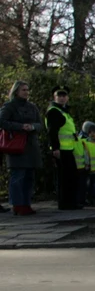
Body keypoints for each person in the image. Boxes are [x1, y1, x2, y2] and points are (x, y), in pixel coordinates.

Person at [0, 80, 43, 215]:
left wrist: (33, 127)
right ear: (16, 91)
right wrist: (19, 127)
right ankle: (17, 204)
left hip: (31, 145)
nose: (26, 92)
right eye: (24, 90)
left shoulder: (32, 107)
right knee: (18, 176)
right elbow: (2, 121)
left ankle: (26, 203)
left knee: (29, 176)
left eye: (27, 89)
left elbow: (40, 124)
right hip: (16, 145)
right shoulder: (9, 106)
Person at [45, 84, 82, 210]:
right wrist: (55, 148)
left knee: (70, 177)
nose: (62, 98)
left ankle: (71, 202)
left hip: (68, 149)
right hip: (61, 150)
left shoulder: (64, 111)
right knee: (64, 178)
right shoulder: (54, 112)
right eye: (59, 96)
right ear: (54, 97)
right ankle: (65, 203)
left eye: (64, 95)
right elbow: (52, 131)